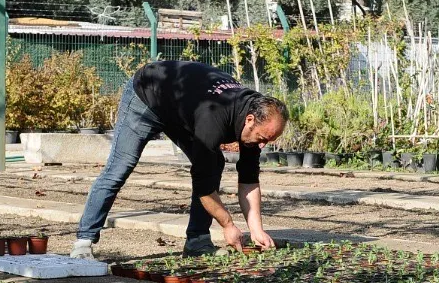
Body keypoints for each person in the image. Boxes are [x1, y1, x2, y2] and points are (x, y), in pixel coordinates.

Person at [69, 60, 289, 258]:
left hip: (182, 107)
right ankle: (84, 241)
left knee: (212, 163)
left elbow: (249, 180)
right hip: (148, 94)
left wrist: (256, 229)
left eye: (268, 140)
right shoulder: (214, 120)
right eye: (262, 138)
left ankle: (197, 242)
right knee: (121, 166)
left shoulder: (256, 124)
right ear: (249, 120)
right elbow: (203, 187)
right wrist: (228, 224)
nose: (262, 145)